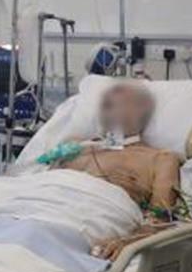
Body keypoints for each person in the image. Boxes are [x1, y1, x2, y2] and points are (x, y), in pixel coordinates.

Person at [52, 81, 182, 259]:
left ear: (141, 111)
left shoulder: (160, 159)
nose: (107, 105)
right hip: (40, 209)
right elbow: (42, 184)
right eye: (106, 102)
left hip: (86, 224)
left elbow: (160, 219)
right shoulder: (74, 146)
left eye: (121, 100)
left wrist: (129, 241)